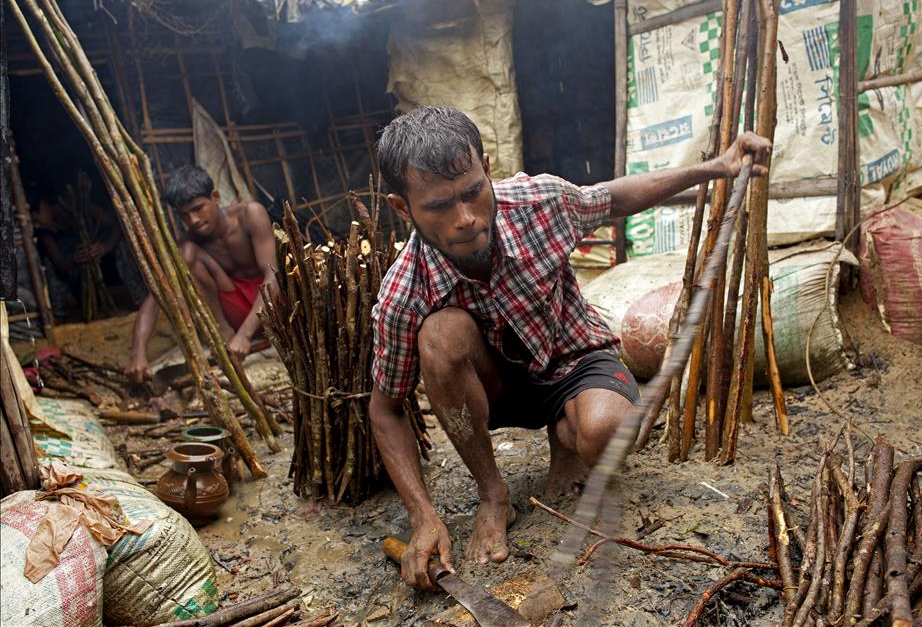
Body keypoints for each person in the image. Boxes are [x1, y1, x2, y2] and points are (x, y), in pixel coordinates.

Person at [368, 106, 771, 591]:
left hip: (574, 360)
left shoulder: (539, 203)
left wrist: (716, 166)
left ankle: (569, 436)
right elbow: (386, 409)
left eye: (473, 192)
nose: (466, 218)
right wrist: (422, 516)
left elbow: (614, 198)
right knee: (440, 335)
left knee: (610, 434)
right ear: (401, 207)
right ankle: (494, 495)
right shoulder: (403, 293)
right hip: (496, 390)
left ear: (487, 169)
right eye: (438, 207)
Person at [124, 166, 278, 384]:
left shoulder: (250, 214)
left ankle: (240, 337)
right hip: (233, 312)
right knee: (186, 255)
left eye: (198, 209)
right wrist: (137, 354)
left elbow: (274, 277)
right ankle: (224, 334)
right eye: (184, 215)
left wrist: (244, 335)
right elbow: (156, 296)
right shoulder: (190, 243)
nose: (193, 220)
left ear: (215, 197)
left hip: (272, 306)